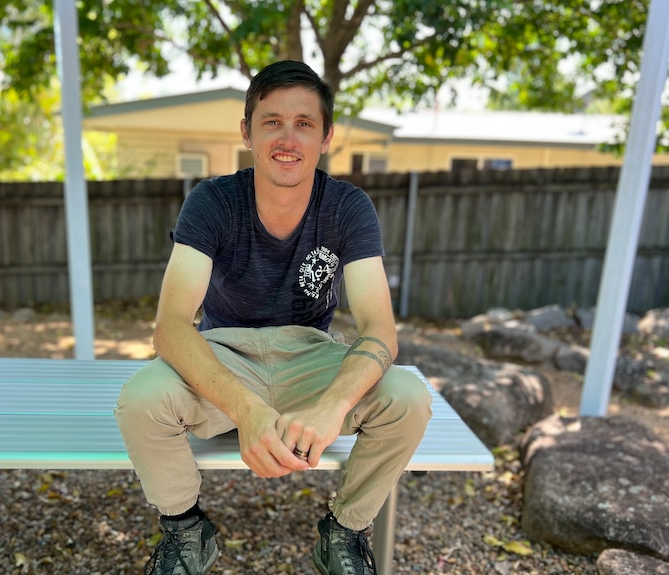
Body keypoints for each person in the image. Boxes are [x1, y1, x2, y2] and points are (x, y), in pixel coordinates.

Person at [115, 60, 432, 575]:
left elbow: (379, 330)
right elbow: (171, 326)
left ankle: (346, 531)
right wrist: (248, 411)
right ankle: (186, 529)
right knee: (142, 399)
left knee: (408, 398)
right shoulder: (212, 201)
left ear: (326, 136)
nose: (289, 138)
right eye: (272, 121)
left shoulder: (348, 207)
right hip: (225, 355)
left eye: (305, 123)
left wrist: (332, 407)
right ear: (247, 132)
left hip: (310, 355)